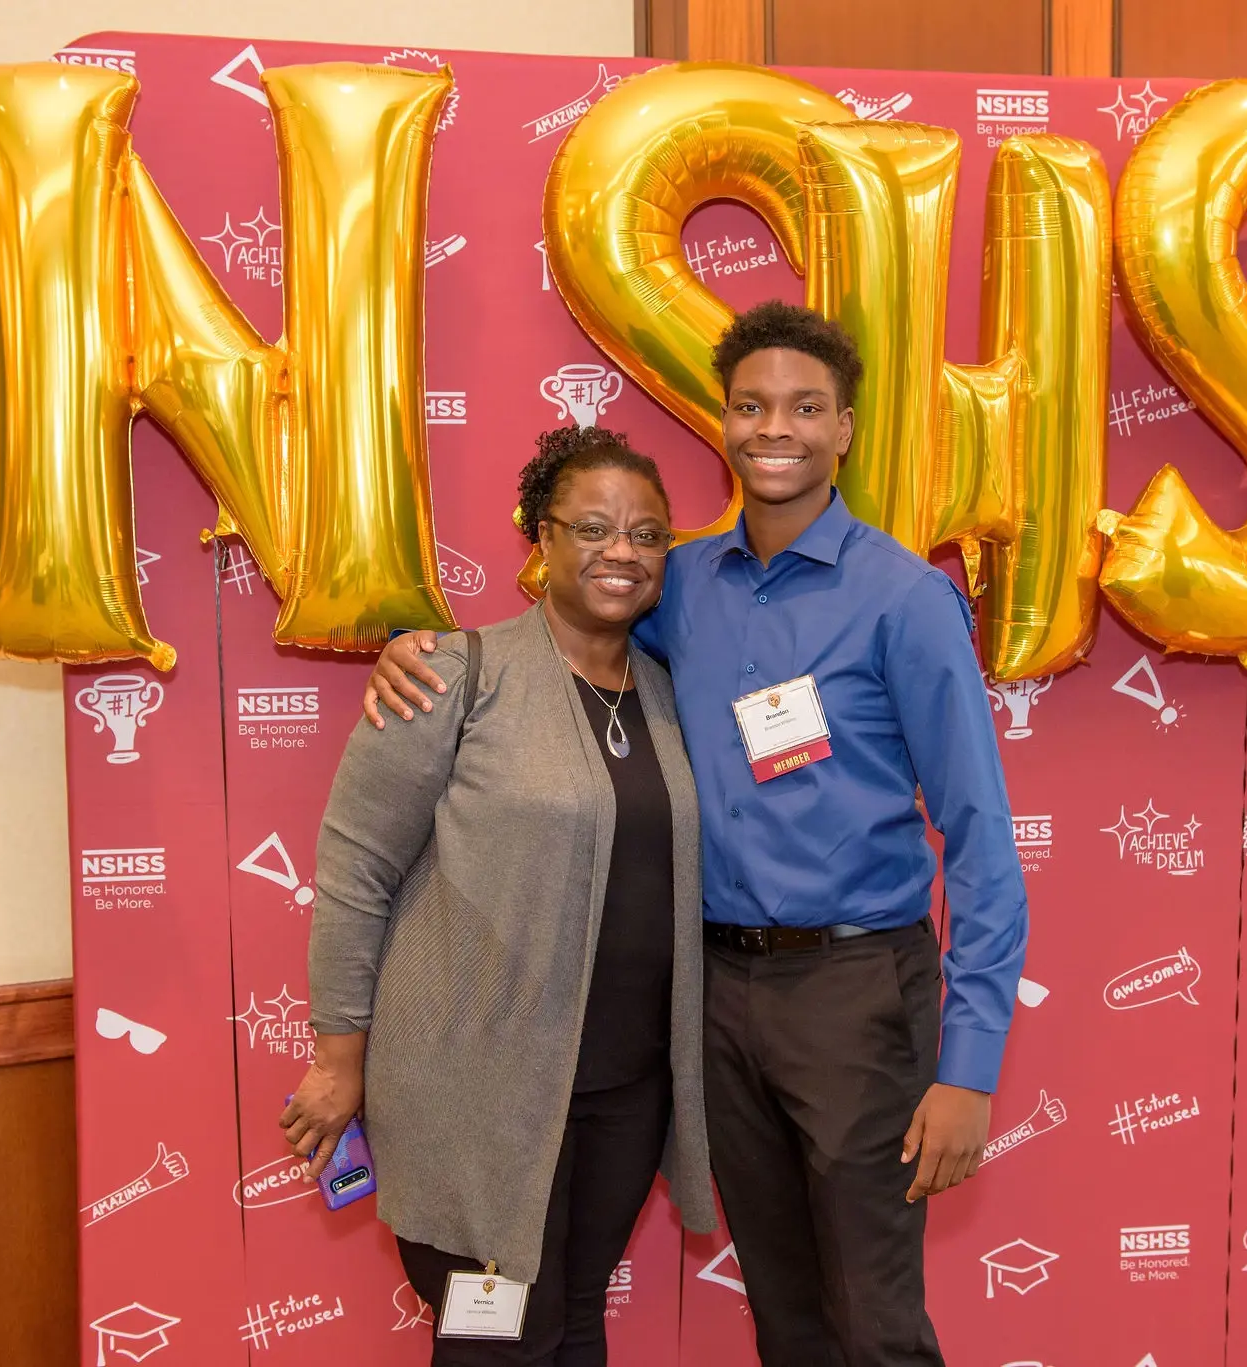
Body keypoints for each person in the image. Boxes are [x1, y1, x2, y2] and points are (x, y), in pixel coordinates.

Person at [363, 301, 1030, 1366]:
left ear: (844, 428)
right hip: (712, 995)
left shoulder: (904, 600)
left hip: (854, 992)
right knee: (784, 1309)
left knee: (873, 1317)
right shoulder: (682, 587)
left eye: (805, 407)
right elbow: (567, 631)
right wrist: (404, 644)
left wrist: (971, 1063)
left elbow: (981, 841)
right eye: (752, 405)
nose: (778, 428)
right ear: (720, 421)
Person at [284, 426, 716, 1365]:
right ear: (541, 540)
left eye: (647, 535)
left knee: (574, 1323)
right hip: (471, 1087)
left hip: (624, 1091)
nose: (622, 552)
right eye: (592, 527)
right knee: (498, 1339)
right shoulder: (451, 673)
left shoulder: (671, 694)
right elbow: (356, 873)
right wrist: (337, 1059)